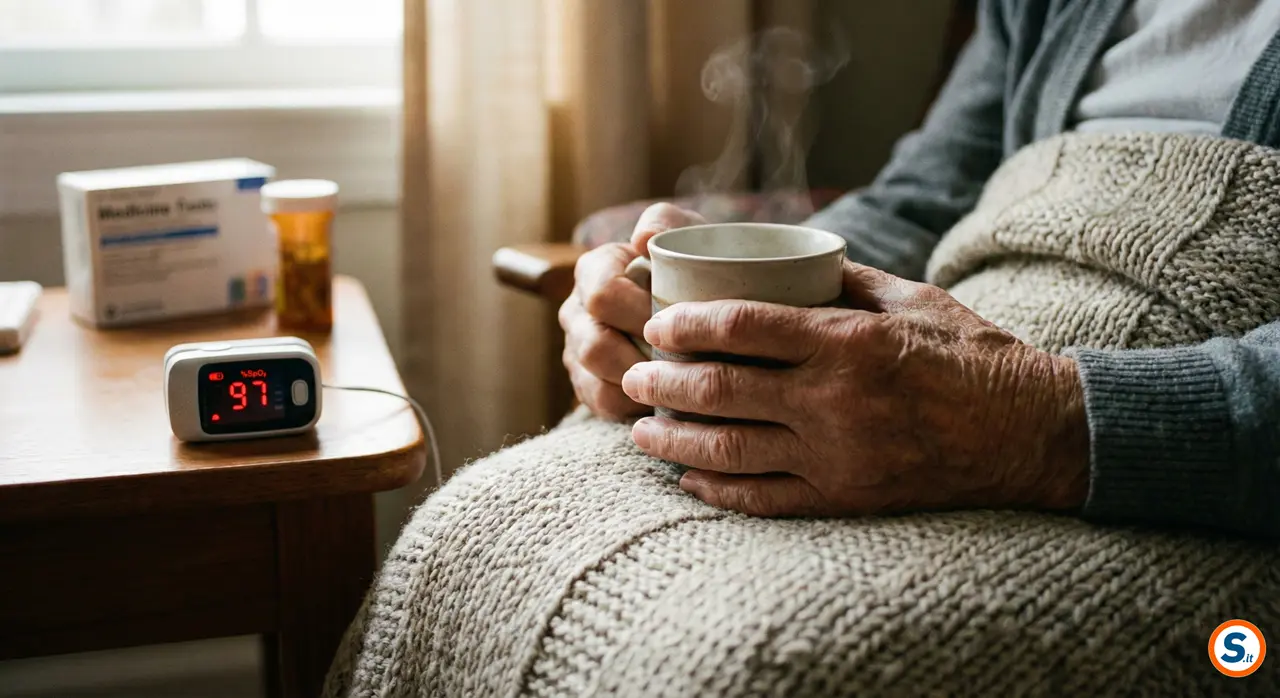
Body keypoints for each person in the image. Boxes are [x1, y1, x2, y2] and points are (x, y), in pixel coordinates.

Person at [558, 0, 1280, 537]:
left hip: (1166, 494)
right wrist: (743, 282)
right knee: (478, 529)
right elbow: (919, 203)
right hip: (919, 410)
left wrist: (1032, 425)